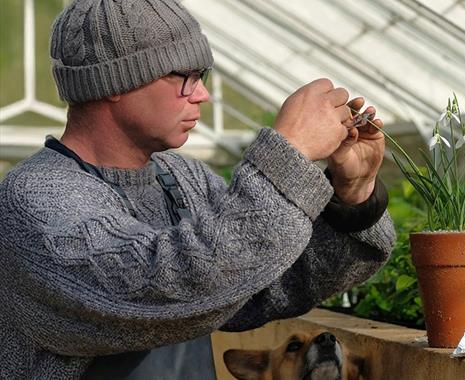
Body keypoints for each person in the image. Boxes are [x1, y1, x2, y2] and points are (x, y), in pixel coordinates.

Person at [0, 0, 395, 379]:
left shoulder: (182, 178)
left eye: (201, 77)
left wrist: (352, 197)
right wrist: (287, 156)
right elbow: (160, 286)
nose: (202, 94)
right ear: (115, 81)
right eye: (183, 75)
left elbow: (263, 284)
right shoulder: (36, 201)